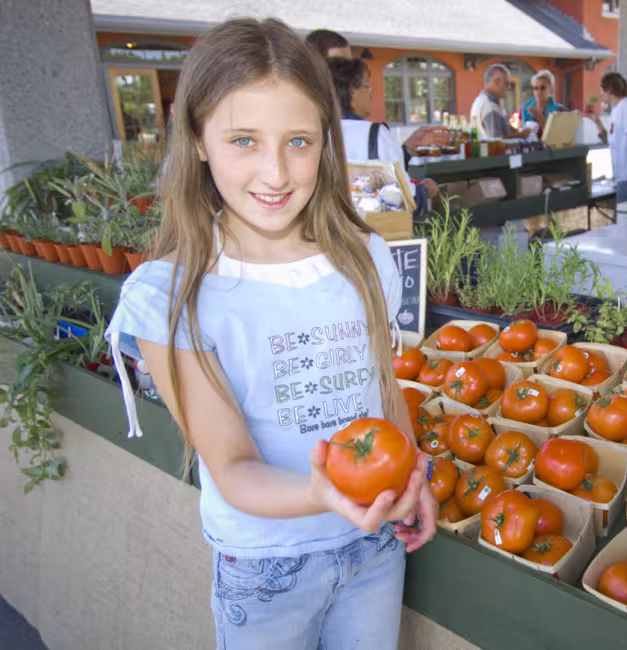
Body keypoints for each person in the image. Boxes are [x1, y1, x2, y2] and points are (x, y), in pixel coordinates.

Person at [104, 18, 436, 650]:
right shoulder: (174, 297)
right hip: (266, 569)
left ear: (326, 142)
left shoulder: (364, 258)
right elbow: (231, 467)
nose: (276, 172)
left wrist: (411, 472)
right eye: (244, 140)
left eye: (300, 142)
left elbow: (382, 393)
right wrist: (321, 491)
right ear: (198, 139)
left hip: (373, 548)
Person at [327, 57, 437, 216]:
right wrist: (424, 191)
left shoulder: (315, 133)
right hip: (370, 233)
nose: (371, 95)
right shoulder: (375, 134)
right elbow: (403, 202)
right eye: (367, 87)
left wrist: (405, 150)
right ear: (352, 91)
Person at [590, 72, 627, 202]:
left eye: (602, 90)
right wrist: (597, 122)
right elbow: (613, 141)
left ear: (610, 90)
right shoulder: (617, 110)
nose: (600, 94)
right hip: (623, 177)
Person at [470, 64, 531, 140]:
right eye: (506, 83)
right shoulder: (490, 105)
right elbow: (496, 141)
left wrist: (513, 130)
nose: (508, 87)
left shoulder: (481, 100)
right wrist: (520, 135)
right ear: (496, 81)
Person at [521, 69, 565, 138]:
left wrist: (540, 118)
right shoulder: (525, 108)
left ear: (550, 88)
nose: (539, 92)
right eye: (536, 88)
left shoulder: (560, 110)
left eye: (543, 88)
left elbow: (557, 138)